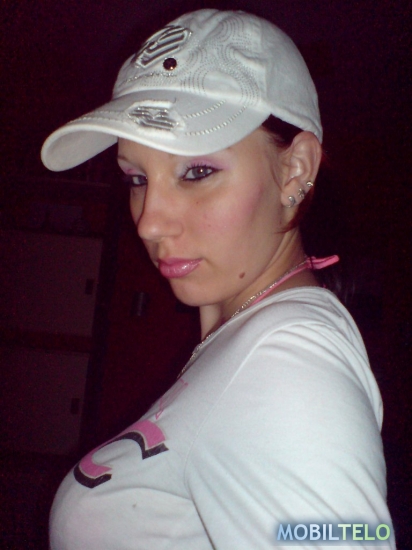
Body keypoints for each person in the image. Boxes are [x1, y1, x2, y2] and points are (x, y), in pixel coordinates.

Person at [41, 9, 395, 550]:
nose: (149, 222)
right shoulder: (254, 339)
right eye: (136, 177)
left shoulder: (289, 361)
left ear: (295, 171)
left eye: (197, 172)